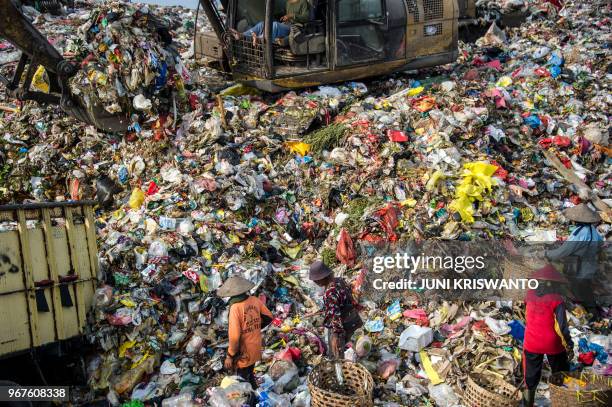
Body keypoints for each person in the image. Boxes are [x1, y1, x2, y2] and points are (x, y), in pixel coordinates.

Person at [522, 264, 573, 407]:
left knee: (530, 377)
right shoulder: (557, 299)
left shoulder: (529, 295)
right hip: (553, 343)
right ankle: (561, 401)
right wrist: (569, 344)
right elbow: (562, 326)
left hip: (531, 342)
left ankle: (528, 403)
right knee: (560, 372)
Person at [217, 276, 273, 392]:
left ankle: (250, 400)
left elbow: (235, 336)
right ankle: (257, 394)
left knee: (243, 383)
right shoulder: (254, 300)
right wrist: (255, 328)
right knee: (250, 375)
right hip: (255, 347)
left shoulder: (235, 308)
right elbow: (269, 317)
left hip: (244, 352)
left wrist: (230, 356)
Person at [545, 203, 603, 314]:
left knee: (583, 291)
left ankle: (594, 315)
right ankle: (589, 312)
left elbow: (563, 251)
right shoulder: (591, 229)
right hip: (591, 266)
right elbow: (600, 243)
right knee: (584, 290)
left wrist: (547, 254)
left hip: (581, 269)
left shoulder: (580, 232)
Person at [309, 260, 362, 358]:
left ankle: (340, 369)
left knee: (336, 354)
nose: (315, 282)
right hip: (354, 319)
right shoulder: (339, 280)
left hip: (343, 325)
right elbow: (347, 299)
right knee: (353, 349)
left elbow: (335, 318)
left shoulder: (330, 293)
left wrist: (335, 336)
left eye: (316, 280)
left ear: (322, 278)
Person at [229, 0, 310, 45]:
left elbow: (306, 17)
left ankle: (260, 38)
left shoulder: (303, 2)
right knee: (262, 24)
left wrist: (292, 15)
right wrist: (284, 17)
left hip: (294, 27)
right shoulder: (288, 3)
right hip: (286, 24)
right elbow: (286, 14)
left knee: (274, 25)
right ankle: (242, 35)